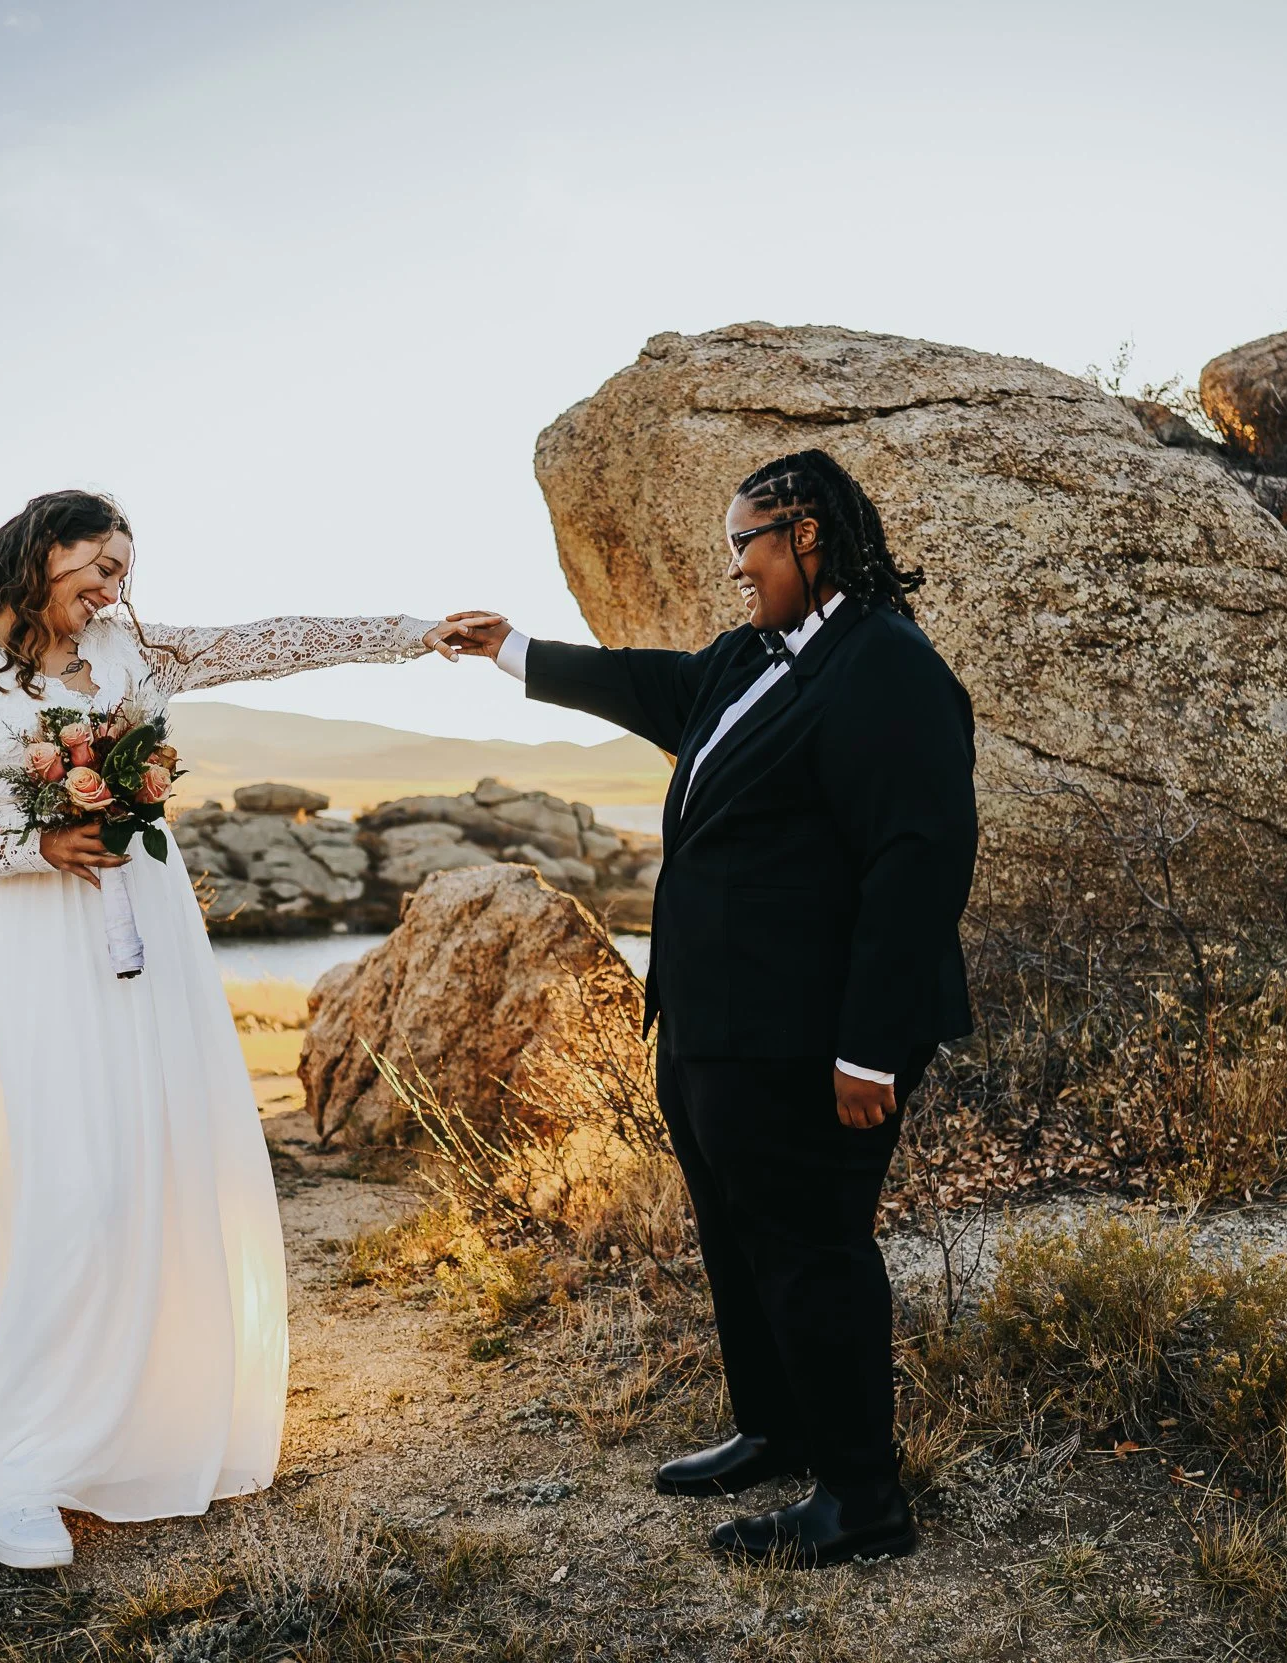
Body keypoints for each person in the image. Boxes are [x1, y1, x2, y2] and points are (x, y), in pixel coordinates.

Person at [0, 488, 489, 1570]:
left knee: (162, 1162)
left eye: (122, 570)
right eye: (96, 568)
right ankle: (18, 1463)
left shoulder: (128, 646)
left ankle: (150, 1426)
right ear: (38, 553)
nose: (112, 590)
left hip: (151, 928)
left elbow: (271, 642)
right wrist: (37, 846)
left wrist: (412, 634)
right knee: (72, 1182)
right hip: (40, 938)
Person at [452, 450, 977, 1567]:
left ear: (808, 537)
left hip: (815, 1033)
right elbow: (650, 689)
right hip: (711, 1025)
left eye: (746, 543)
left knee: (810, 1247)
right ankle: (778, 1427)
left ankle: (861, 1496)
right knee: (739, 1236)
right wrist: (510, 651)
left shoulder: (887, 667)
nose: (733, 568)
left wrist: (872, 1051)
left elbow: (917, 864)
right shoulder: (746, 658)